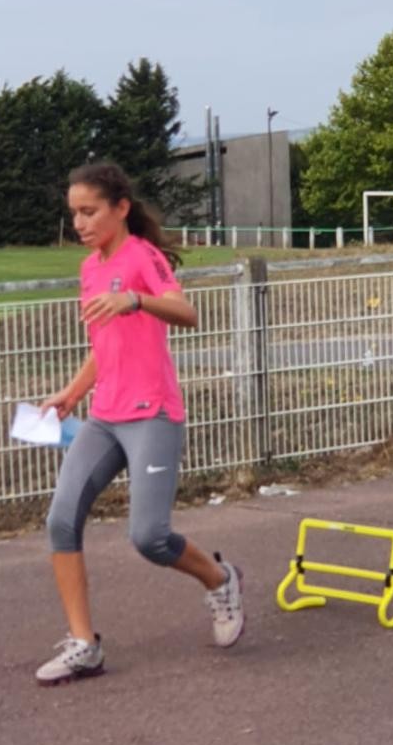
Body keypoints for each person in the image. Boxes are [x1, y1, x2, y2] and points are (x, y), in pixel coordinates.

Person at [35, 160, 244, 686]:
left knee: (149, 537)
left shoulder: (142, 257)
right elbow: (104, 349)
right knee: (61, 521)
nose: (79, 224)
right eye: (74, 214)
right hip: (104, 417)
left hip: (152, 414)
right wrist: (71, 393)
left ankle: (220, 580)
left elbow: (186, 312)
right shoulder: (89, 268)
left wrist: (135, 298)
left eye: (89, 212)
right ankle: (84, 645)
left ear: (120, 208)